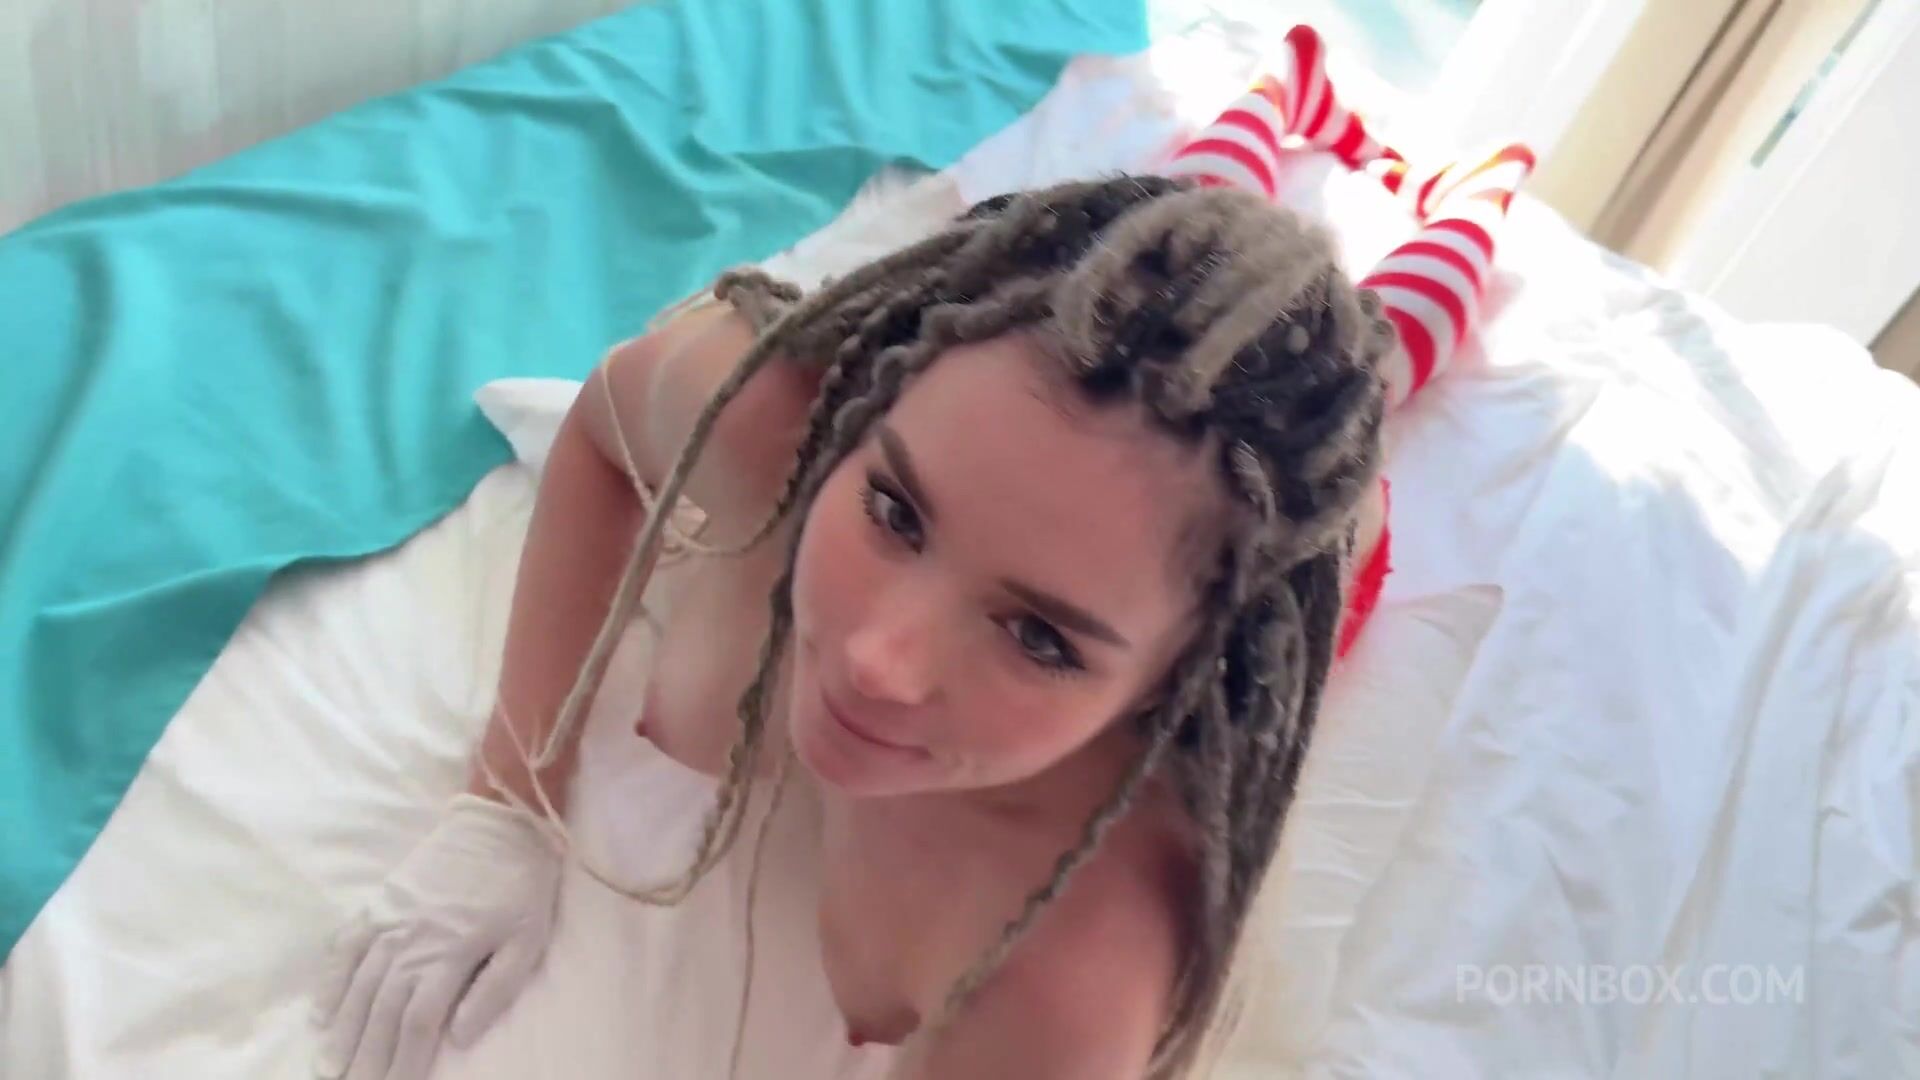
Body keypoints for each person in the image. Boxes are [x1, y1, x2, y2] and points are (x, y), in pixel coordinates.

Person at [312, 174, 1396, 1080]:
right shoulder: (769, 421)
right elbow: (603, 423)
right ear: (873, 400)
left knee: (1394, 352)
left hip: (1293, 551)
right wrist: (506, 801)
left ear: (1166, 681)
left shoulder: (1065, 962)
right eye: (896, 511)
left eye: (1039, 638)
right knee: (1218, 204)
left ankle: (1458, 231)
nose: (879, 662)